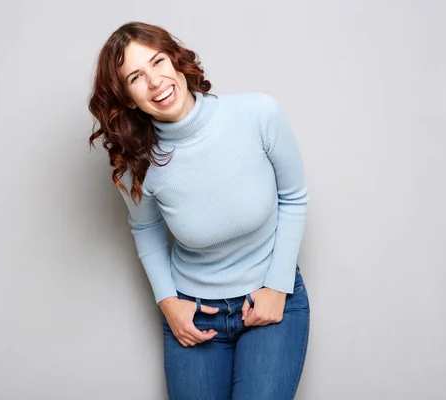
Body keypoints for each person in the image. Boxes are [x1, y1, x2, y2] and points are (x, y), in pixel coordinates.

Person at [88, 21, 310, 399]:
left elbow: (294, 196)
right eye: (136, 77)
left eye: (158, 62)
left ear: (176, 61)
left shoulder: (258, 114)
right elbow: (146, 230)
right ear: (127, 98)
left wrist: (277, 286)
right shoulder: (135, 163)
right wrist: (168, 303)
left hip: (271, 300)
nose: (156, 81)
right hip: (195, 314)